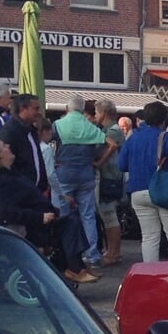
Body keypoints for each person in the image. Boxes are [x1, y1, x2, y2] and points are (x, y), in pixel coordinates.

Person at [119, 101, 168, 263]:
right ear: (164, 119)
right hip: (164, 191)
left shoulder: (132, 138)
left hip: (137, 191)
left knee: (149, 237)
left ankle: (151, 274)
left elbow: (121, 165)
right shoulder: (167, 138)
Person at [52, 96, 108, 274]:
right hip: (86, 174)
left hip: (64, 173)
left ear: (68, 108)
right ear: (83, 109)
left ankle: (67, 253)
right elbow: (108, 142)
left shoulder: (59, 125)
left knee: (64, 215)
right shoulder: (90, 127)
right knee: (88, 216)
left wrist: (55, 160)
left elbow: (46, 141)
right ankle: (92, 254)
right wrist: (98, 161)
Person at [96, 99, 127, 263]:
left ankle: (113, 252)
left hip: (110, 175)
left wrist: (99, 162)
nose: (95, 116)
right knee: (108, 214)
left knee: (109, 214)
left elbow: (106, 147)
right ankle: (111, 251)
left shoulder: (112, 131)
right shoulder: (113, 129)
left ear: (103, 113)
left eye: (96, 113)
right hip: (113, 175)